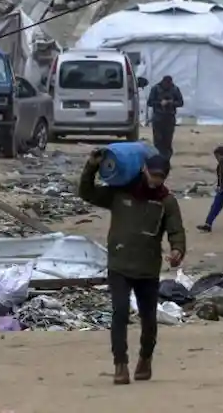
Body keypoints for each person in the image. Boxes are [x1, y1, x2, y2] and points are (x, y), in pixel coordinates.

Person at [78, 151, 186, 385]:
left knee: (148, 319)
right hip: (119, 264)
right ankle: (120, 364)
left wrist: (177, 251)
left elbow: (176, 231)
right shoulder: (120, 192)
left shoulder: (166, 201)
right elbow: (86, 193)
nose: (155, 180)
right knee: (120, 313)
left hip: (148, 268)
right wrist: (91, 167)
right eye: (152, 174)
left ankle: (145, 359)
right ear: (143, 169)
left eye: (160, 177)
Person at [146, 75, 184, 160]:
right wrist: (160, 103)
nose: (168, 86)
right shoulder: (155, 88)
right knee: (158, 141)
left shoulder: (175, 89)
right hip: (158, 118)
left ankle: (166, 160)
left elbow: (181, 102)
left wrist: (171, 102)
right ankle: (158, 159)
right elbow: (149, 102)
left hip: (169, 118)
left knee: (167, 141)